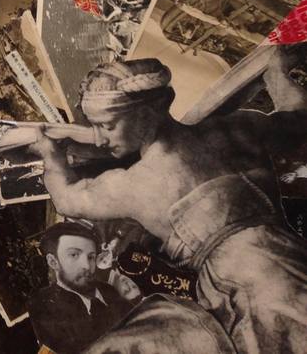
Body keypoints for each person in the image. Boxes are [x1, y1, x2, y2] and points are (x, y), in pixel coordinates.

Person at [26, 53, 307, 354]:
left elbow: (66, 199)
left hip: (248, 293)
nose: (99, 139)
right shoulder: (234, 129)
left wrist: (49, 154)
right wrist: (277, 72)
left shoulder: (133, 183)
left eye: (108, 126)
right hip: (289, 258)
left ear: (146, 113)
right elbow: (298, 119)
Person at [27, 221, 130, 354]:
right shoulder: (43, 305)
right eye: (74, 255)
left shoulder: (108, 290)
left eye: (91, 257)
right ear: (53, 262)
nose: (87, 266)